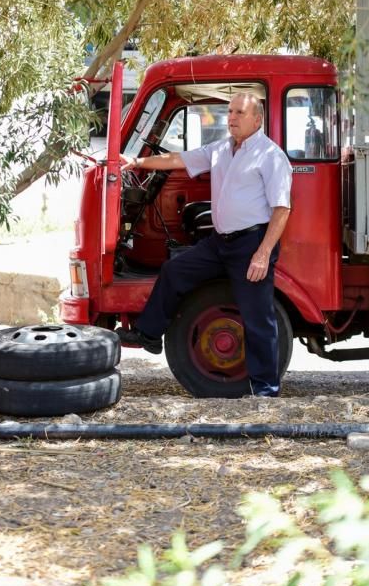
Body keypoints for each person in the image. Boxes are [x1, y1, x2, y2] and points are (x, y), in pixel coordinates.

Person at [117, 92, 292, 397]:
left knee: (257, 317)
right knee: (174, 270)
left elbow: (282, 209)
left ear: (257, 119)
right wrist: (136, 161)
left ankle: (266, 388)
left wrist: (262, 254)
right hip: (218, 243)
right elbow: (177, 159)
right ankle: (148, 334)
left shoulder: (270, 155)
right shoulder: (221, 149)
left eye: (239, 112)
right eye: (230, 112)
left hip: (251, 244)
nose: (232, 118)